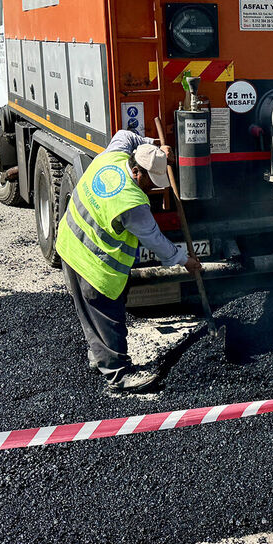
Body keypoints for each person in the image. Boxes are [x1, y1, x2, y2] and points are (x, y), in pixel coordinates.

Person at [56, 130, 203, 394]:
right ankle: (118, 374)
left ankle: (99, 355)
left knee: (88, 312)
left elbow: (125, 134)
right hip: (94, 263)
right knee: (107, 313)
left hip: (69, 243)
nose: (153, 186)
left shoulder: (113, 155)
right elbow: (156, 241)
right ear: (137, 171)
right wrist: (185, 261)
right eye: (150, 180)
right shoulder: (132, 202)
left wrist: (156, 147)